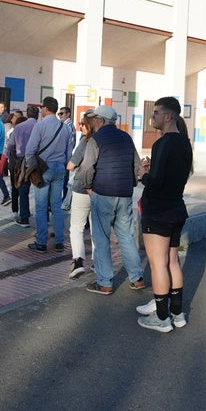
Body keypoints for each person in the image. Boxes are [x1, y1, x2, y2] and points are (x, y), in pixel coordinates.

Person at [135, 97, 193, 332]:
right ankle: (177, 313)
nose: (153, 117)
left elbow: (156, 182)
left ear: (168, 116)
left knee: (157, 264)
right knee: (172, 262)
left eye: (156, 113)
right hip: (176, 208)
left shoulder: (163, 143)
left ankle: (161, 318)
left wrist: (143, 174)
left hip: (158, 210)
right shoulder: (185, 143)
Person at [76, 105, 145, 294]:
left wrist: (88, 186)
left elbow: (87, 168)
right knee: (126, 237)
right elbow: (136, 165)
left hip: (102, 193)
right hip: (124, 194)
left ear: (100, 121)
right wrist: (129, 183)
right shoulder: (127, 137)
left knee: (102, 239)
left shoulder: (96, 139)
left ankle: (105, 282)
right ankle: (137, 278)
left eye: (96, 119)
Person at [24, 97, 73, 252]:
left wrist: (31, 167)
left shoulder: (40, 126)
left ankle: (41, 242)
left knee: (41, 206)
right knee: (57, 206)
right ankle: (59, 241)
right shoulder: (65, 128)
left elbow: (30, 150)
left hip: (43, 169)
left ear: (45, 109)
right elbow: (69, 153)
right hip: (60, 169)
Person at [64, 110, 95, 279]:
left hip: (82, 189)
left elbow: (71, 165)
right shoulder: (101, 141)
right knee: (96, 229)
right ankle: (98, 263)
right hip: (99, 190)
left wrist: (73, 165)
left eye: (82, 124)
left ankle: (78, 261)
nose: (80, 126)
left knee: (76, 227)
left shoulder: (85, 142)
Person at [6, 107, 38, 226]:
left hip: (22, 160)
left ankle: (24, 217)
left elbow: (10, 145)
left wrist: (8, 158)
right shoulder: (40, 126)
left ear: (27, 114)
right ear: (37, 115)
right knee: (41, 190)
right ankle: (44, 218)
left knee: (23, 190)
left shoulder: (19, 127)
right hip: (38, 161)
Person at [58, 106, 77, 201]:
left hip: (64, 157)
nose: (60, 115)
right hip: (64, 157)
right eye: (59, 113)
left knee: (64, 181)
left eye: (62, 113)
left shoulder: (68, 126)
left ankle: (65, 200)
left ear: (68, 114)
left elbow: (71, 144)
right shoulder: (66, 125)